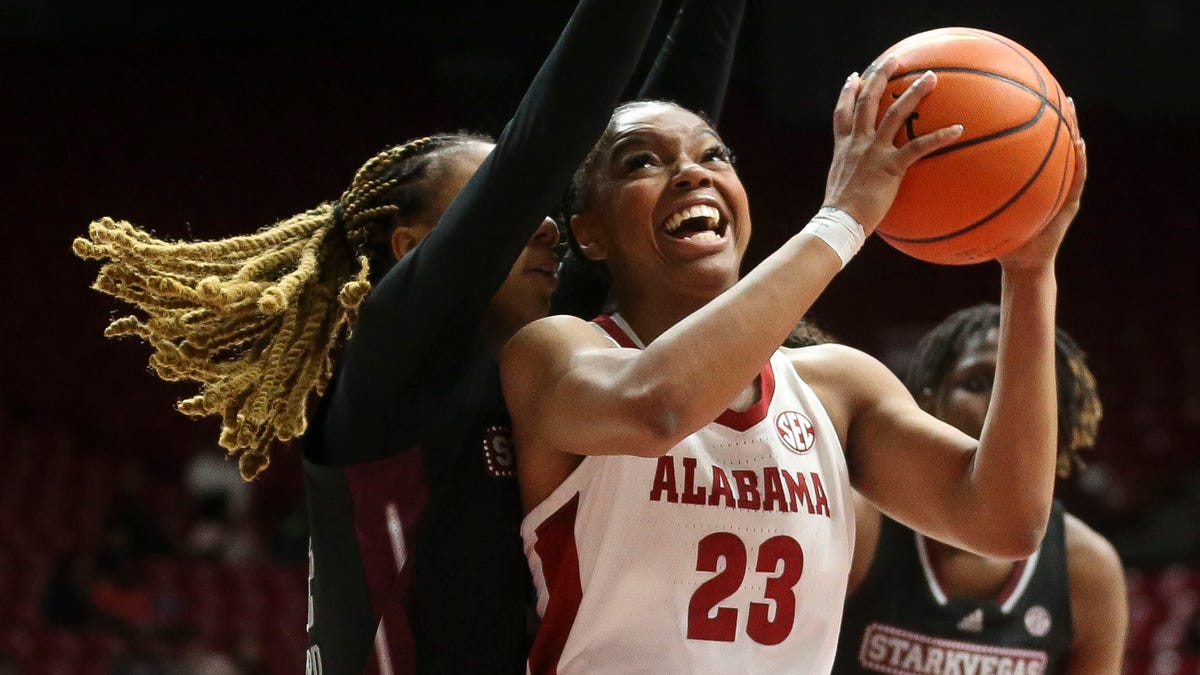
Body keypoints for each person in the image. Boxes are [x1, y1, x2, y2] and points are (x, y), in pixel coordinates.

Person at [73, 1, 745, 672]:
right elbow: (542, 142)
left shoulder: (543, 356)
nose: (546, 227)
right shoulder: (392, 358)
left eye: (547, 214)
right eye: (504, 210)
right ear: (414, 247)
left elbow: (650, 177)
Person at [501, 57, 1086, 672]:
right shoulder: (556, 352)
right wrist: (842, 220)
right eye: (640, 161)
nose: (689, 173)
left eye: (714, 155)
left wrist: (1028, 272)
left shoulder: (838, 387)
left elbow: (1005, 522)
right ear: (588, 233)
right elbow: (659, 407)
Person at [834, 304, 1128, 675]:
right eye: (976, 383)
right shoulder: (860, 526)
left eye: (1030, 390)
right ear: (926, 406)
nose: (1003, 405)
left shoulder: (1086, 568)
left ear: (1057, 422)